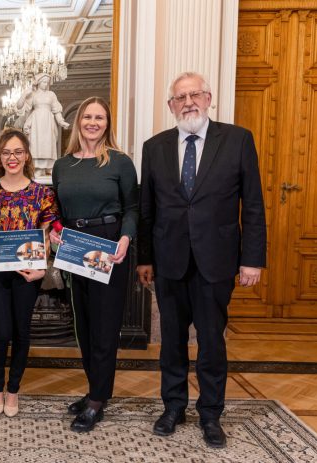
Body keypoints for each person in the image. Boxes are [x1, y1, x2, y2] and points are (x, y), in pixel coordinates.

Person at [137, 72, 266, 449]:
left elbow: (253, 204)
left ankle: (211, 414)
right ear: (171, 106)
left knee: (211, 342)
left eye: (195, 94)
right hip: (169, 260)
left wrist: (252, 259)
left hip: (217, 260)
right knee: (172, 342)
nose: (188, 101)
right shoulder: (154, 146)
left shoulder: (238, 139)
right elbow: (147, 211)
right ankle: (173, 406)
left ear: (209, 98)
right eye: (180, 97)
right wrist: (145, 258)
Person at [49, 96, 138, 433]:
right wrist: (55, 233)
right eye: (87, 116)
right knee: (83, 326)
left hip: (109, 246)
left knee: (103, 327)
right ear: (78, 122)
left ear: (107, 123)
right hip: (74, 246)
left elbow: (133, 207)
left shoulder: (119, 162)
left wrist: (126, 239)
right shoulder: (62, 165)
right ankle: (94, 391)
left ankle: (98, 400)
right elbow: (56, 211)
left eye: (99, 117)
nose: (93, 122)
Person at [0, 129, 59, 417]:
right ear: (0, 156)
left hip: (28, 274)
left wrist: (42, 267)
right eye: (6, 152)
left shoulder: (42, 194)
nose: (12, 158)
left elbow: (49, 235)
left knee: (21, 332)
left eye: (18, 152)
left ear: (26, 155)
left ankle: (13, 391)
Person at [16, 73, 70, 174]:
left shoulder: (51, 94)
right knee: (36, 143)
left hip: (48, 121)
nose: (46, 84)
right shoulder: (33, 94)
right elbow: (19, 106)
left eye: (47, 82)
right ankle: (37, 167)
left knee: (48, 143)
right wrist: (24, 94)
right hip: (36, 121)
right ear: (39, 82)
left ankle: (48, 167)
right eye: (44, 82)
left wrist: (61, 121)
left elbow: (56, 109)